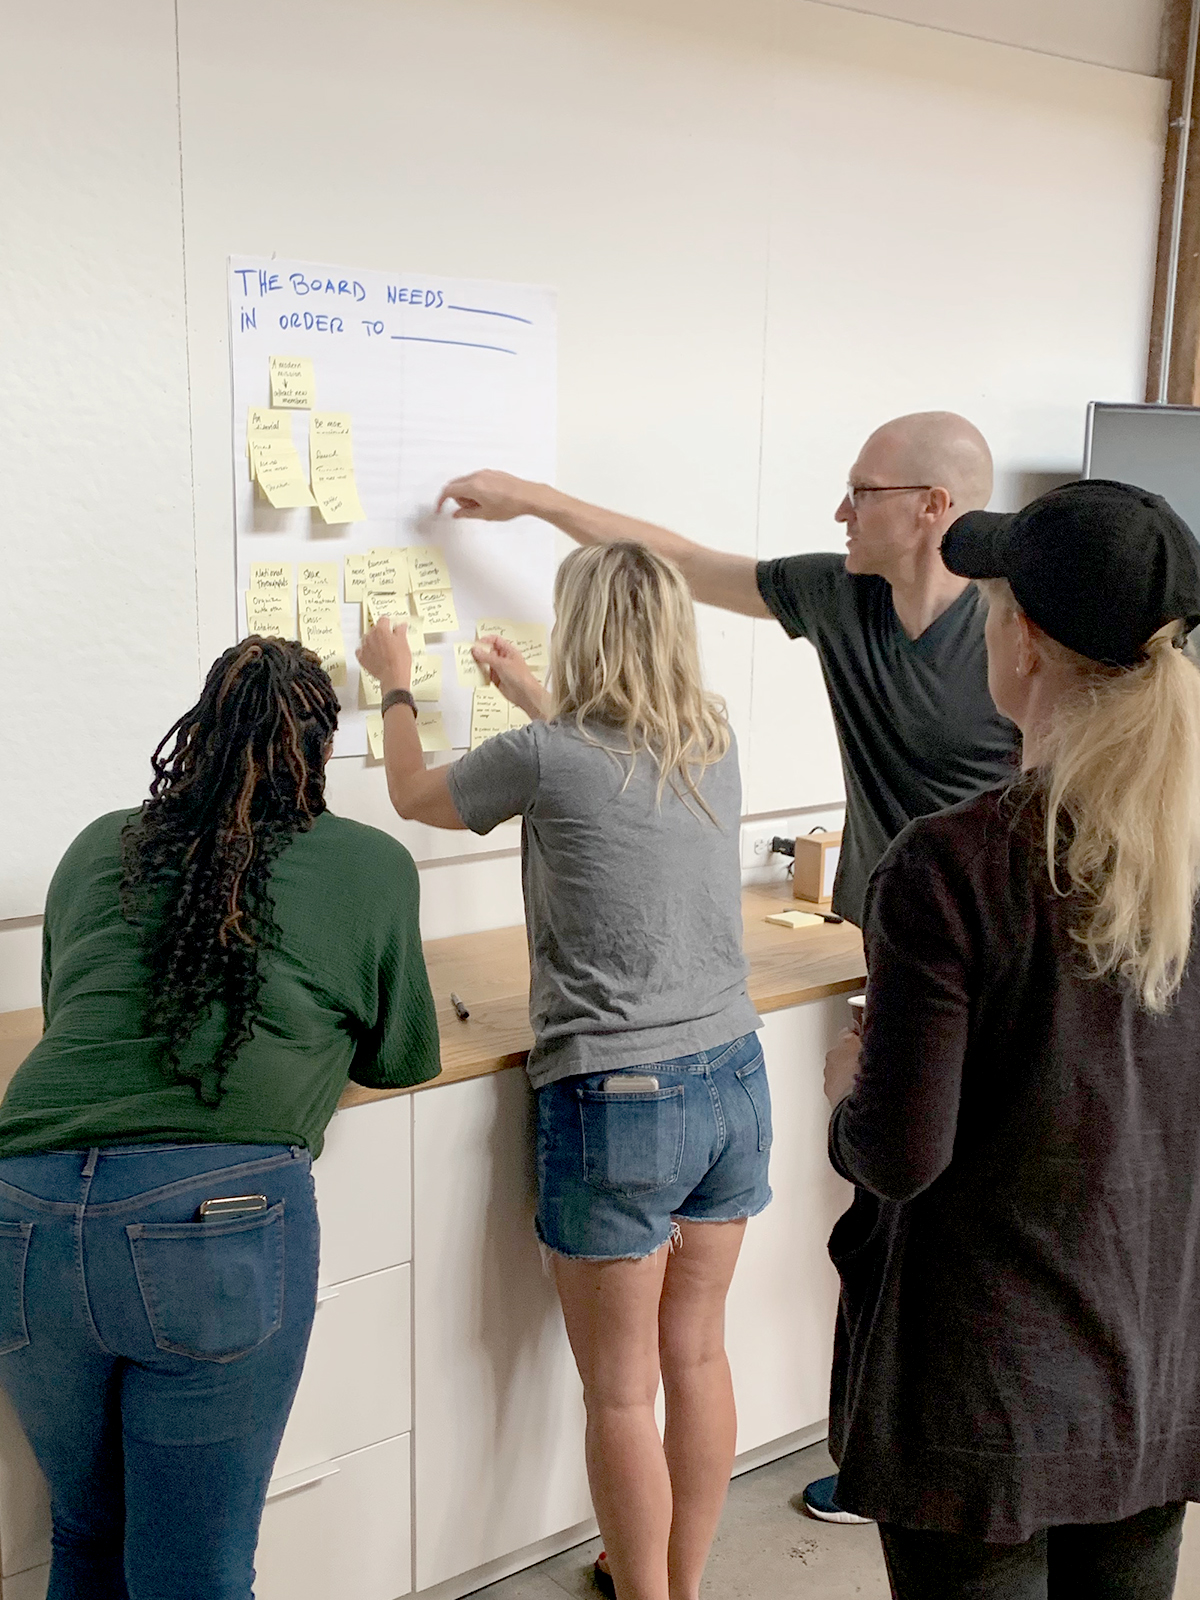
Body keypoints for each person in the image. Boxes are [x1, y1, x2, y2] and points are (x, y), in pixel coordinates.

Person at [437, 412, 1019, 1524]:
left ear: (932, 509)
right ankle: (881, 1463)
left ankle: (962, 1475)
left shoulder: (1001, 629)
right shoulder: (838, 595)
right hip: (892, 957)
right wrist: (536, 498)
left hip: (993, 964)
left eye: (862, 491)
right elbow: (683, 560)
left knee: (964, 1221)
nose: (840, 510)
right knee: (882, 1222)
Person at [358, 542, 768, 1600]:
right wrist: (524, 693)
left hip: (622, 1099)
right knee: (698, 1359)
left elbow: (411, 793)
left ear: (581, 629)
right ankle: (677, 1581)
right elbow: (607, 760)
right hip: (731, 1079)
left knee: (622, 1394)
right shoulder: (710, 734)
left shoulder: (543, 754)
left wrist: (395, 677)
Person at [821, 479, 1200, 1598]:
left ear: (1022, 642)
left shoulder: (953, 863)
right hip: (1155, 1363)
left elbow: (899, 1153)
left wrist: (850, 1092)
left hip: (984, 1390)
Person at [0, 637, 440, 1600]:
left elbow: (63, 1006)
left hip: (20, 1206)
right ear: (320, 748)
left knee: (84, 1536)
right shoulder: (368, 864)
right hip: (213, 1220)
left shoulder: (97, 845)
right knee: (191, 1571)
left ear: (196, 731)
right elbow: (406, 1056)